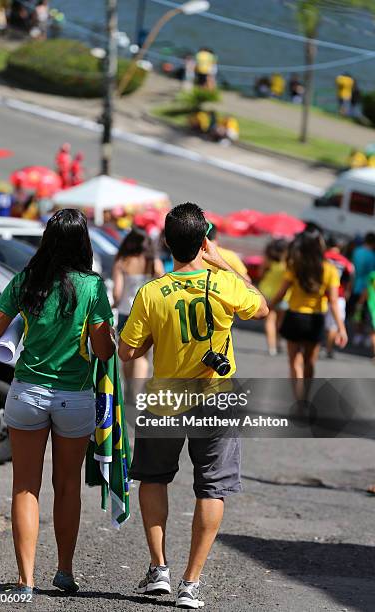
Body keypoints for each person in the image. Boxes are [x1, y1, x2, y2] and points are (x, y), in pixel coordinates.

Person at [118, 202, 268, 609]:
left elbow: (127, 352)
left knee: (153, 478)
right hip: (217, 398)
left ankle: (159, 570)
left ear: (166, 242)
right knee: (212, 487)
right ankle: (191, 583)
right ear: (204, 242)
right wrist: (223, 264)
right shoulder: (225, 283)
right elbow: (262, 305)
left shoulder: (152, 292)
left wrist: (153, 340)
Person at [0, 209, 115, 595]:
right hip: (74, 396)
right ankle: (65, 571)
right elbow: (104, 351)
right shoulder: (91, 287)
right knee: (67, 486)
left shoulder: (25, 281)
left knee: (25, 487)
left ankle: (25, 580)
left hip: (27, 392)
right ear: (83, 242)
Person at [270, 230, 348, 399]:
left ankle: (298, 398)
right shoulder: (329, 269)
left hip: (294, 317)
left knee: (294, 361)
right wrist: (341, 329)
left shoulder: (295, 265)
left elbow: (282, 293)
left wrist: (267, 306)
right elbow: (334, 301)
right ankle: (305, 396)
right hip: (316, 319)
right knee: (310, 362)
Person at [113, 228, 163, 399]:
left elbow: (117, 293)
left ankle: (128, 390)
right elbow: (162, 284)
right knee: (143, 355)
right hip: (148, 313)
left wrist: (114, 303)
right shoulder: (153, 261)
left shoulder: (122, 261)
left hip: (126, 312)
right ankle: (137, 392)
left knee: (127, 353)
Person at [324, 236, 354, 358]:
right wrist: (347, 293)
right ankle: (329, 349)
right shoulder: (346, 262)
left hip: (321, 296)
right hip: (338, 296)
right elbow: (350, 280)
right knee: (334, 325)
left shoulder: (322, 257)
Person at [258, 239, 289, 356]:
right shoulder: (288, 263)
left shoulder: (269, 260)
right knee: (280, 323)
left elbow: (260, 274)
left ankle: (272, 348)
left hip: (267, 293)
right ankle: (278, 342)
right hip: (284, 296)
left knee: (270, 321)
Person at [349, 233, 375, 340]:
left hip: (355, 285)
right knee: (367, 312)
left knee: (357, 311)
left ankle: (357, 334)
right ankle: (367, 336)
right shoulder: (373, 256)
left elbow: (352, 270)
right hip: (369, 289)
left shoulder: (356, 252)